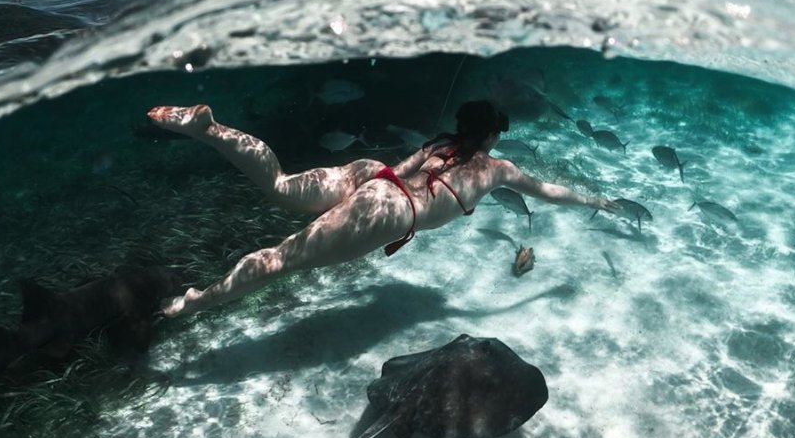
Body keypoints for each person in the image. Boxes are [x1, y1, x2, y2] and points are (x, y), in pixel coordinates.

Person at [147, 99, 619, 319]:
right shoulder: (498, 169)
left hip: (373, 174)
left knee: (279, 183)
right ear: (492, 136)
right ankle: (194, 301)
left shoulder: (439, 143)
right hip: (393, 210)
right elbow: (548, 191)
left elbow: (397, 170)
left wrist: (376, 188)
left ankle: (211, 129)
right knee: (279, 260)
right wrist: (595, 199)